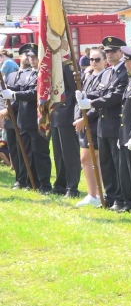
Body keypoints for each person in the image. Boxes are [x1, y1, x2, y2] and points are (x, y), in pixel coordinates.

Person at [80, 46, 131, 215]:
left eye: (127, 61)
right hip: (124, 132)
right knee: (125, 171)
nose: (125, 64)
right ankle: (130, 203)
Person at [82, 36, 128, 210]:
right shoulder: (108, 72)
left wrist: (92, 102)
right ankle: (110, 197)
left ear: (121, 52)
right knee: (107, 164)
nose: (109, 54)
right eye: (107, 51)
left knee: (118, 164)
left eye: (113, 51)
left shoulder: (125, 71)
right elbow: (100, 92)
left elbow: (115, 96)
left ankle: (120, 199)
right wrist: (87, 96)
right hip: (103, 124)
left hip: (117, 124)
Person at [1, 43, 51, 194]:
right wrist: (6, 89)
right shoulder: (27, 73)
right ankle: (30, 181)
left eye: (35, 57)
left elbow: (35, 92)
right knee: (25, 153)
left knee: (40, 153)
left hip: (37, 120)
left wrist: (14, 94)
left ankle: (44, 185)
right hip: (23, 120)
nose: (32, 60)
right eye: (30, 57)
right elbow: (21, 87)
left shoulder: (44, 75)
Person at [74, 48, 108, 207]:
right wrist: (77, 118)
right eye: (91, 59)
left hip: (95, 122)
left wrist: (85, 119)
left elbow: (100, 103)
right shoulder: (88, 77)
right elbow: (79, 100)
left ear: (104, 60)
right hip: (83, 123)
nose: (93, 62)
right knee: (86, 159)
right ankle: (92, 194)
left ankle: (98, 194)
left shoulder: (106, 76)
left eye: (97, 59)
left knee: (93, 159)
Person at [0, 52, 33, 190]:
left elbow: (21, 96)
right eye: (24, 54)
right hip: (8, 117)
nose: (26, 57)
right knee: (13, 149)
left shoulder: (31, 74)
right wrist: (3, 110)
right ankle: (19, 179)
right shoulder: (11, 75)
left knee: (23, 150)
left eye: (29, 55)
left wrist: (9, 109)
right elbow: (4, 95)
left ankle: (27, 179)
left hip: (20, 116)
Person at [50, 62, 81, 197]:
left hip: (67, 112)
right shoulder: (49, 62)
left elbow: (75, 90)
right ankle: (60, 184)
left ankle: (72, 187)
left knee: (69, 153)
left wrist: (76, 114)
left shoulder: (67, 63)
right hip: (54, 111)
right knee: (58, 153)